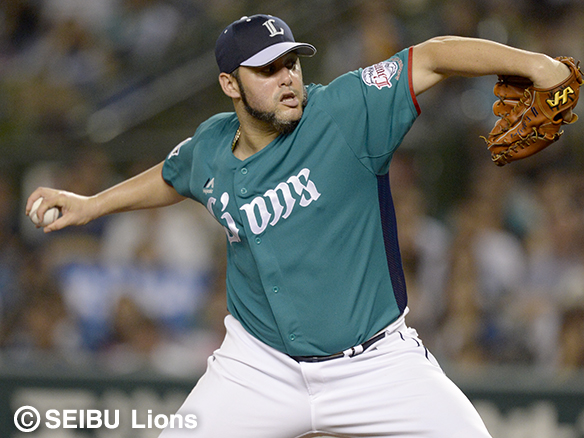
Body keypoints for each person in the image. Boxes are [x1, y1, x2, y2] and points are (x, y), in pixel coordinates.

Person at [26, 13, 575, 438]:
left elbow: (432, 56)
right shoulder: (212, 144)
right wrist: (91, 204)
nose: (287, 78)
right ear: (230, 84)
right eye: (268, 70)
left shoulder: (344, 113)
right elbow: (174, 175)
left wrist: (536, 64)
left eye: (291, 62)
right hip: (257, 366)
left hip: (376, 364)